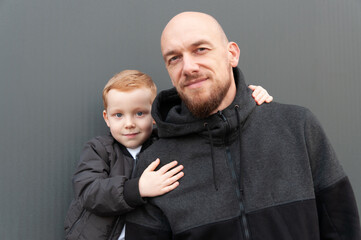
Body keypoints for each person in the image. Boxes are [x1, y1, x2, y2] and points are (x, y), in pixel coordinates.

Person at [125, 12, 361, 240]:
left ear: (232, 54)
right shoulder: (155, 165)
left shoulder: (297, 127)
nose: (188, 67)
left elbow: (342, 227)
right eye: (174, 58)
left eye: (201, 49)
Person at [64, 69, 273, 240]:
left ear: (154, 115)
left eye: (140, 113)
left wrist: (247, 96)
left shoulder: (164, 145)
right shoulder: (99, 149)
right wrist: (137, 188)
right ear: (107, 118)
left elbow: (200, 116)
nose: (129, 123)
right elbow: (88, 191)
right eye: (118, 115)